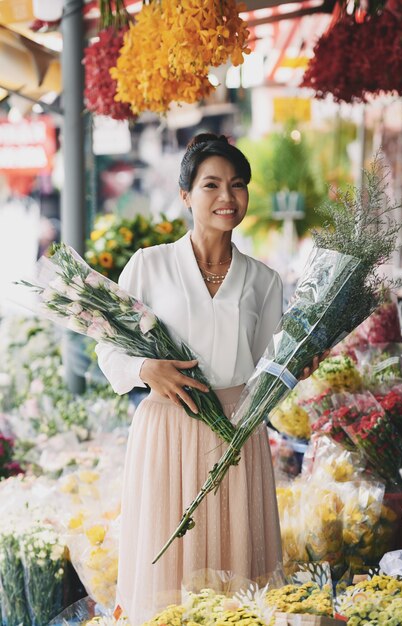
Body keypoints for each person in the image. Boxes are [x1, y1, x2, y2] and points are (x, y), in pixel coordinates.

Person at [96, 133, 321, 624]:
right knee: (169, 573)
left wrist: (298, 367)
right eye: (211, 185)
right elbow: (108, 346)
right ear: (185, 195)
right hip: (166, 432)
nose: (226, 197)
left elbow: (268, 365)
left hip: (238, 433)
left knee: (236, 565)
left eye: (237, 185)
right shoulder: (149, 265)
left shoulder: (264, 280)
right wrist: (143, 369)